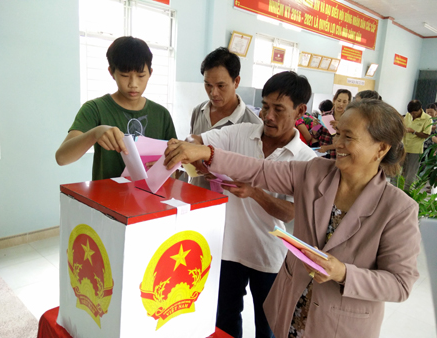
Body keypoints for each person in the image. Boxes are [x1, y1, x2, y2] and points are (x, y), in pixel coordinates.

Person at [163, 99, 421, 338]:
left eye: (349, 137)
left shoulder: (398, 209)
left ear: (381, 148)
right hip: (291, 309)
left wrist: (343, 273)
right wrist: (207, 153)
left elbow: (400, 283)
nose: (337, 143)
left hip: (341, 324)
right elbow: (259, 170)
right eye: (339, 133)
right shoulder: (316, 172)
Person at [188, 71, 316, 338]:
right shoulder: (241, 134)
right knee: (224, 320)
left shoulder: (306, 160)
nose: (268, 116)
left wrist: (255, 193)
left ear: (300, 110)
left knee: (268, 326)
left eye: (278, 109)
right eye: (265, 107)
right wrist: (192, 151)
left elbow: (293, 213)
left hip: (269, 256)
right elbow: (201, 142)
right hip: (228, 249)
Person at [55, 36, 177, 180]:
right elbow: (62, 158)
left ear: (150, 72)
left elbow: (175, 171)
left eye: (141, 75)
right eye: (125, 75)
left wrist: (165, 167)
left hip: (151, 199)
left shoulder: (161, 114)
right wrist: (95, 134)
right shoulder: (95, 109)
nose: (133, 84)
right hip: (108, 200)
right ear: (111, 72)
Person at [189, 47, 262, 189]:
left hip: (227, 204)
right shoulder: (198, 111)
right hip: (195, 194)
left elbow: (253, 175)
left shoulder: (253, 124)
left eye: (221, 86)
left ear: (236, 81)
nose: (213, 93)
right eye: (208, 85)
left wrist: (218, 172)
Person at [311, 89, 352, 159]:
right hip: (322, 155)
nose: (341, 104)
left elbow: (348, 141)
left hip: (338, 156)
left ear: (348, 103)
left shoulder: (349, 119)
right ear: (334, 100)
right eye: (339, 100)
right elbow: (315, 135)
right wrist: (315, 127)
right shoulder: (324, 115)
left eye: (344, 102)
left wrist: (340, 128)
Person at [402, 100, 432, 190]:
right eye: (411, 113)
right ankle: (398, 190)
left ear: (420, 109)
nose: (412, 115)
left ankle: (407, 192)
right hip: (404, 147)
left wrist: (413, 131)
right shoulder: (408, 115)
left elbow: (426, 135)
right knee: (400, 171)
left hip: (415, 149)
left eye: (414, 113)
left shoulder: (427, 118)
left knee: (411, 173)